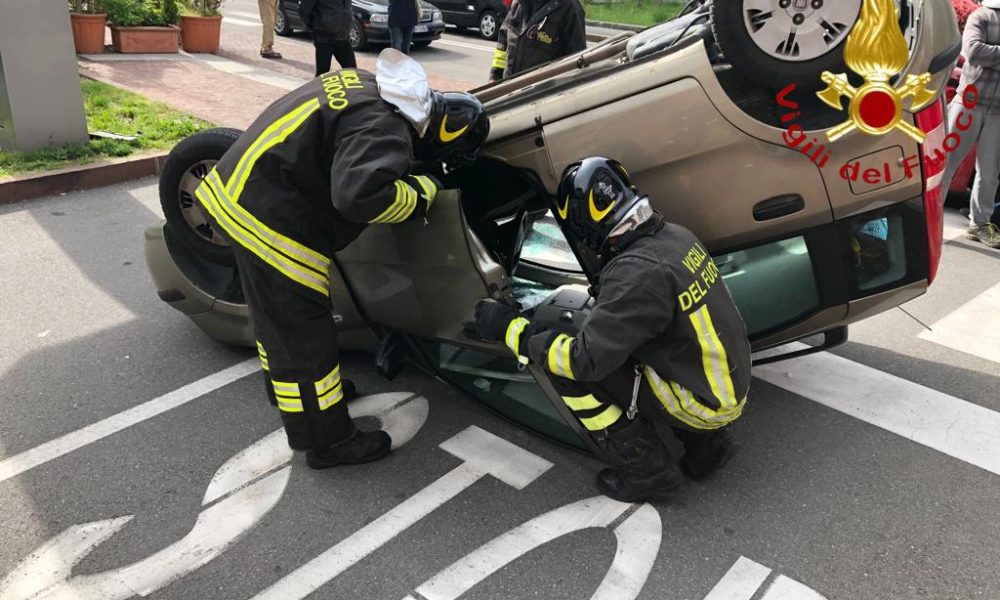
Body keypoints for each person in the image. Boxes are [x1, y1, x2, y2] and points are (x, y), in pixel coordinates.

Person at [194, 50, 489, 468]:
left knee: (275, 321)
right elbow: (358, 197)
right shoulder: (390, 131)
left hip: (239, 190)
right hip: (271, 217)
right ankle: (327, 441)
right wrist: (421, 191)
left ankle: (299, 398)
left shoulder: (369, 86)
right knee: (302, 332)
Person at [471, 157, 751, 502]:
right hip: (724, 385)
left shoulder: (636, 274)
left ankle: (648, 471)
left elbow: (583, 361)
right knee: (614, 348)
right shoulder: (675, 236)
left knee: (564, 368)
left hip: (701, 401)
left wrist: (511, 329)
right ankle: (709, 445)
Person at [941, 0, 1000, 248]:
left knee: (989, 173)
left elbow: (983, 54)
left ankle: (979, 225)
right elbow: (973, 51)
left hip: (998, 111)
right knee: (945, 163)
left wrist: (993, 53)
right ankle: (927, 216)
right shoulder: (983, 16)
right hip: (968, 103)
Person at [488, 0, 587, 83]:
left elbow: (577, 66)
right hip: (508, 95)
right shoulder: (518, 4)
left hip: (540, 100)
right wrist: (495, 75)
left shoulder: (570, 9)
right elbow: (503, 42)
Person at [300, 0, 357, 76]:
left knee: (352, 71)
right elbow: (304, 9)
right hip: (324, 37)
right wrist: (316, 25)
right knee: (322, 74)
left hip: (343, 37)